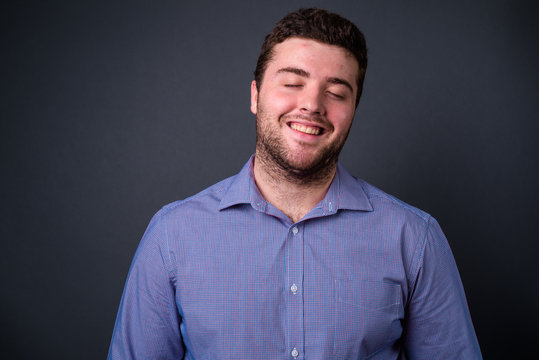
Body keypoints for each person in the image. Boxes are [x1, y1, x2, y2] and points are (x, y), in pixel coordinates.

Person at [108, 8, 482, 359]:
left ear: (353, 110)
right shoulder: (172, 236)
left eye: (336, 93)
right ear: (255, 95)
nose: (312, 105)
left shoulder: (414, 238)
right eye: (292, 82)